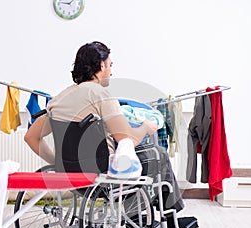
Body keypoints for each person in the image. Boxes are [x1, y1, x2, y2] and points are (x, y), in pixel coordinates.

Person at [24, 41, 184, 213]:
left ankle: (139, 215)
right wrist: (145, 127)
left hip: (71, 177)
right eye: (110, 65)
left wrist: (58, 162)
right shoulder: (101, 96)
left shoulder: (60, 98)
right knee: (156, 153)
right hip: (102, 176)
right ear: (101, 65)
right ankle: (160, 218)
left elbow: (30, 137)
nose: (111, 71)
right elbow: (128, 139)